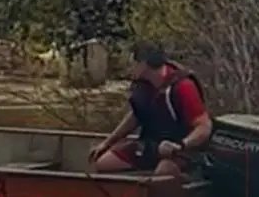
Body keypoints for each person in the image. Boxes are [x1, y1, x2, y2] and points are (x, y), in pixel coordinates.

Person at [89, 42, 212, 178]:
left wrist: (181, 145)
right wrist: (107, 143)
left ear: (144, 64)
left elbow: (204, 127)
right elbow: (136, 116)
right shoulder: (144, 85)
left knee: (164, 171)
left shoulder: (183, 87)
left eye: (132, 62)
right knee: (104, 164)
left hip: (181, 149)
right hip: (151, 145)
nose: (128, 68)